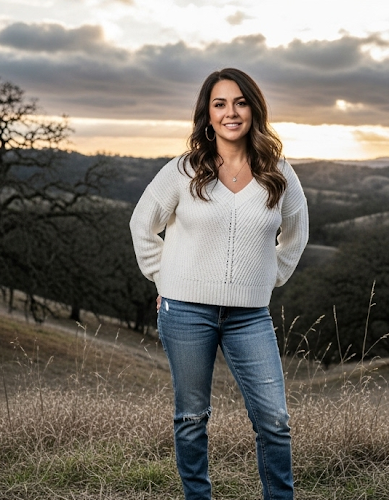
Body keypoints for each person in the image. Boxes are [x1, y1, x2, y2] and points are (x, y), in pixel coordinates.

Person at [129, 68, 309, 500]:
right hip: (185, 312)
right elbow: (141, 224)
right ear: (207, 115)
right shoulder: (183, 170)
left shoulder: (278, 172)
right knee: (192, 416)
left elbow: (297, 233)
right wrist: (163, 277)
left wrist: (270, 277)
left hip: (250, 316)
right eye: (220, 103)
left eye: (240, 102)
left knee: (274, 419)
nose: (232, 112)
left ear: (254, 109)